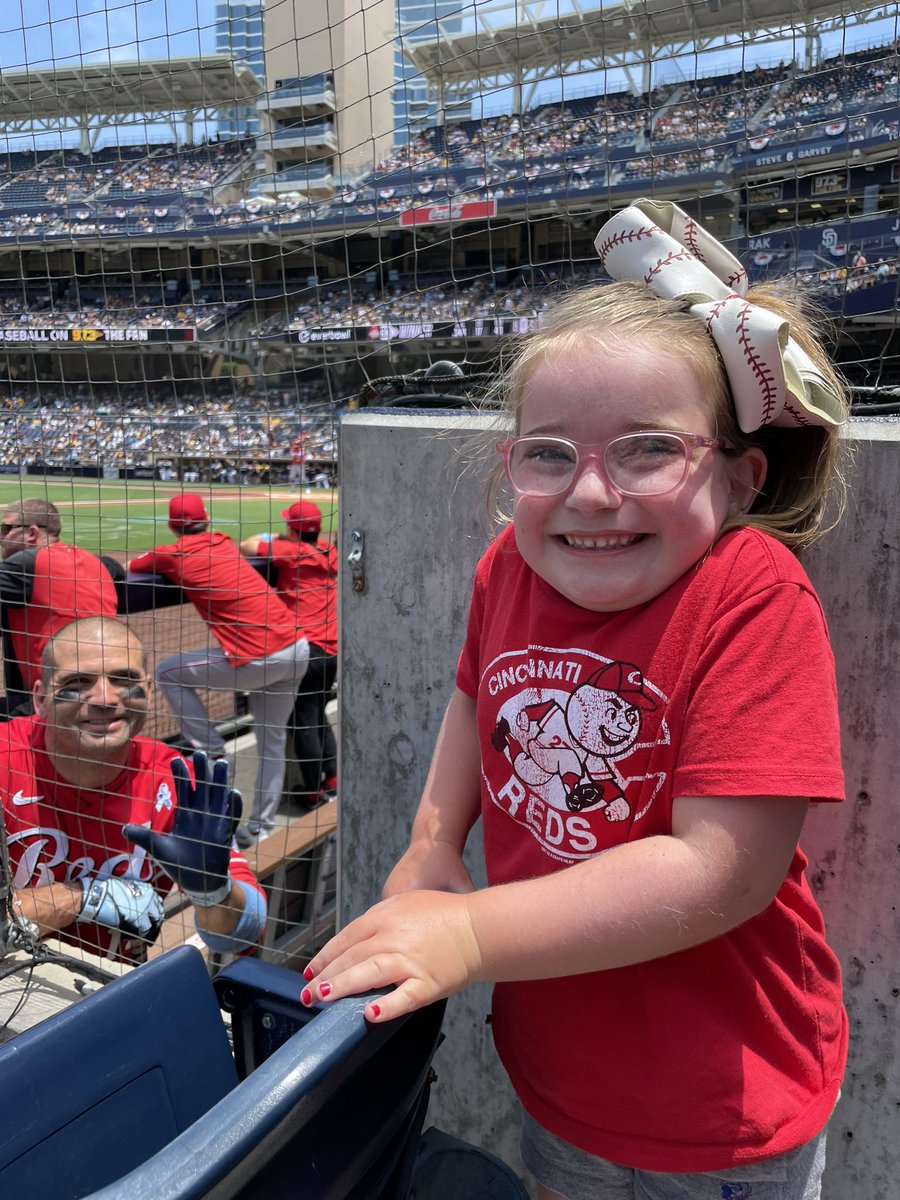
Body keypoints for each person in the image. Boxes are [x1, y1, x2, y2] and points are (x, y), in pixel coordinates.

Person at [300, 199, 851, 1199]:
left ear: (739, 478)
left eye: (648, 449)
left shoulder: (752, 591)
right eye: (549, 454)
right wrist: (434, 840)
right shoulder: (511, 564)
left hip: (720, 1108)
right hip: (561, 1071)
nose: (590, 494)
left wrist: (467, 934)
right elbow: (476, 700)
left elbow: (722, 871)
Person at [0, 615, 266, 964]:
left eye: (124, 679)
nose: (106, 699)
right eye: (78, 682)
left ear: (150, 688)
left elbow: (244, 935)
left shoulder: (174, 782)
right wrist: (84, 898)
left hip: (114, 989)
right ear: (40, 698)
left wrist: (213, 893)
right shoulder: (6, 759)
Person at [127, 494, 309, 846]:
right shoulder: (224, 541)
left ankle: (210, 747)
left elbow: (135, 565)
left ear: (172, 525)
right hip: (296, 649)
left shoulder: (173, 553)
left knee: (166, 672)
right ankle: (262, 827)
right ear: (207, 521)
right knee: (272, 743)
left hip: (258, 659)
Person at [240, 500, 338, 806]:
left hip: (306, 648)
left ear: (292, 530)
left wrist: (276, 540)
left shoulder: (290, 552)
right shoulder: (328, 551)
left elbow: (246, 545)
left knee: (304, 719)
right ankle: (332, 777)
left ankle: (311, 792)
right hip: (331, 647)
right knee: (318, 711)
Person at [0, 497, 119, 719]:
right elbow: (117, 570)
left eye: (6, 528)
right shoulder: (96, 561)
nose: (1, 537)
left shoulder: (26, 564)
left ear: (32, 533)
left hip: (54, 703)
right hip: (107, 694)